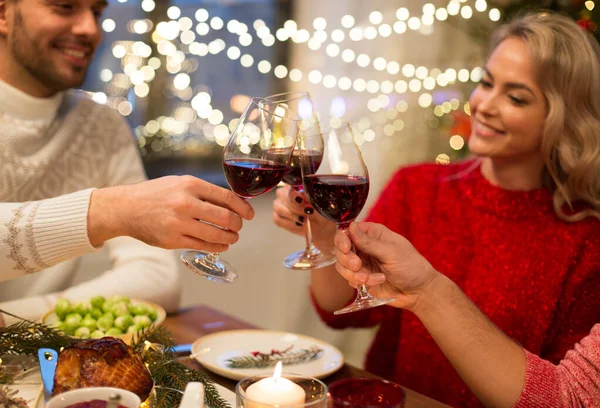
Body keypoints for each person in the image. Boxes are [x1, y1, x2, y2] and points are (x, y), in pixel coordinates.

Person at [272, 11, 600, 406]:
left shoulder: (585, 239)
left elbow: (562, 393)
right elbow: (350, 310)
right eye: (486, 83)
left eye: (515, 97)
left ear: (561, 118)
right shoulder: (418, 186)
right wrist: (324, 238)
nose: (484, 105)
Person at [0, 0, 254, 325]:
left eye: (96, 12)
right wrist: (108, 211)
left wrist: (14, 321)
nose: (90, 29)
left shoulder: (99, 124)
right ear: (4, 13)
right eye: (64, 7)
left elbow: (156, 279)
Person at [334, 221, 600, 408]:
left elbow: (572, 399)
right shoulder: (414, 182)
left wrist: (425, 291)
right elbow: (339, 312)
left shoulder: (588, 237)